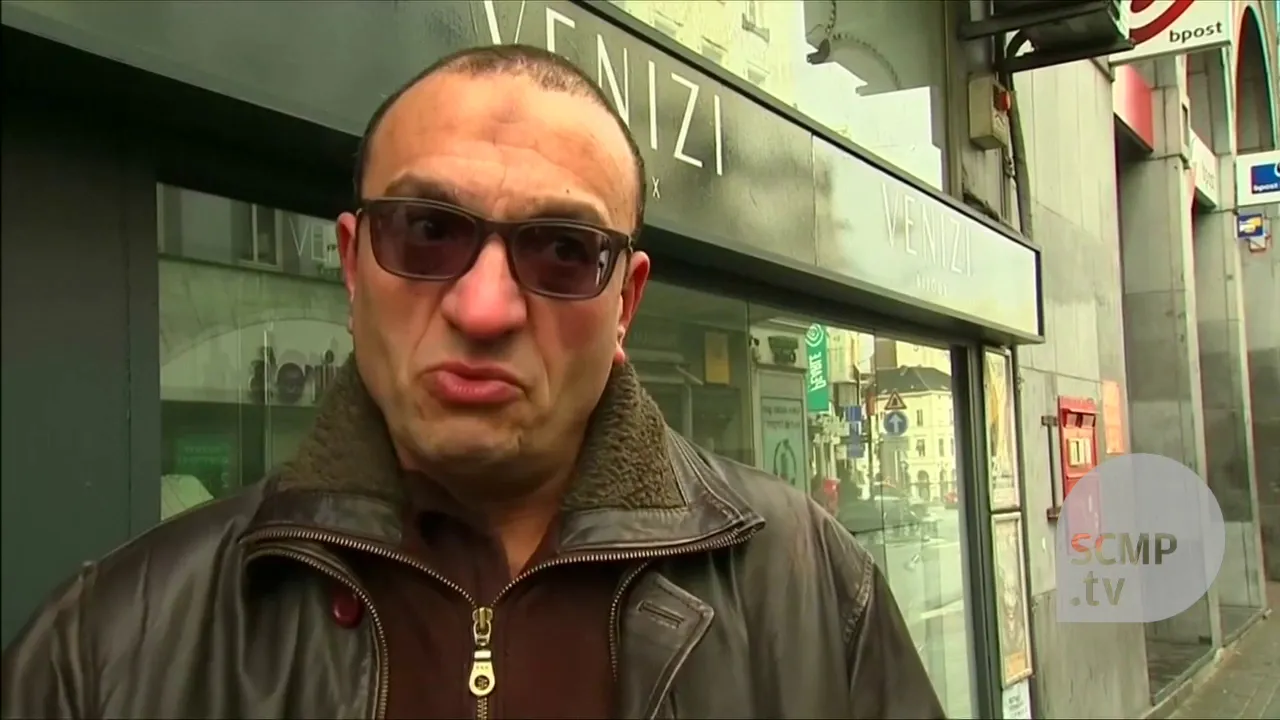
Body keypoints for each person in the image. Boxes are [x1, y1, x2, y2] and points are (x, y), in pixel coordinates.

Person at [0, 44, 944, 719]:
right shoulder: (111, 647)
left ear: (625, 302)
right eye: (427, 232)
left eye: (563, 250)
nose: (485, 308)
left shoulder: (813, 594)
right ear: (353, 265)